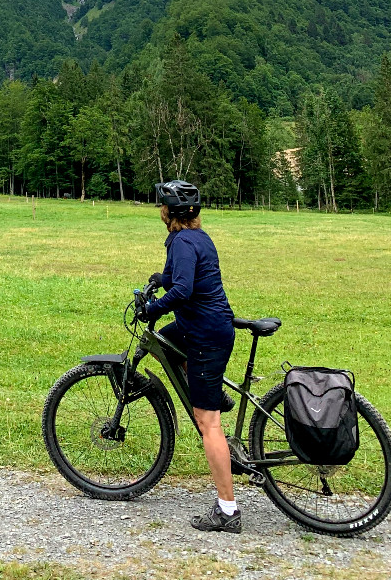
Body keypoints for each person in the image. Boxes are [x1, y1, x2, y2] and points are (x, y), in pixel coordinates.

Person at [140, 179, 241, 534]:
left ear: (169, 212)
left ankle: (227, 511)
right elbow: (182, 277)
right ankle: (214, 394)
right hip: (199, 328)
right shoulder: (198, 238)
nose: (160, 211)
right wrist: (161, 276)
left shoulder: (182, 240)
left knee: (207, 423)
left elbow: (183, 290)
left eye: (161, 207)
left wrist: (152, 308)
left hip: (205, 336)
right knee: (166, 341)